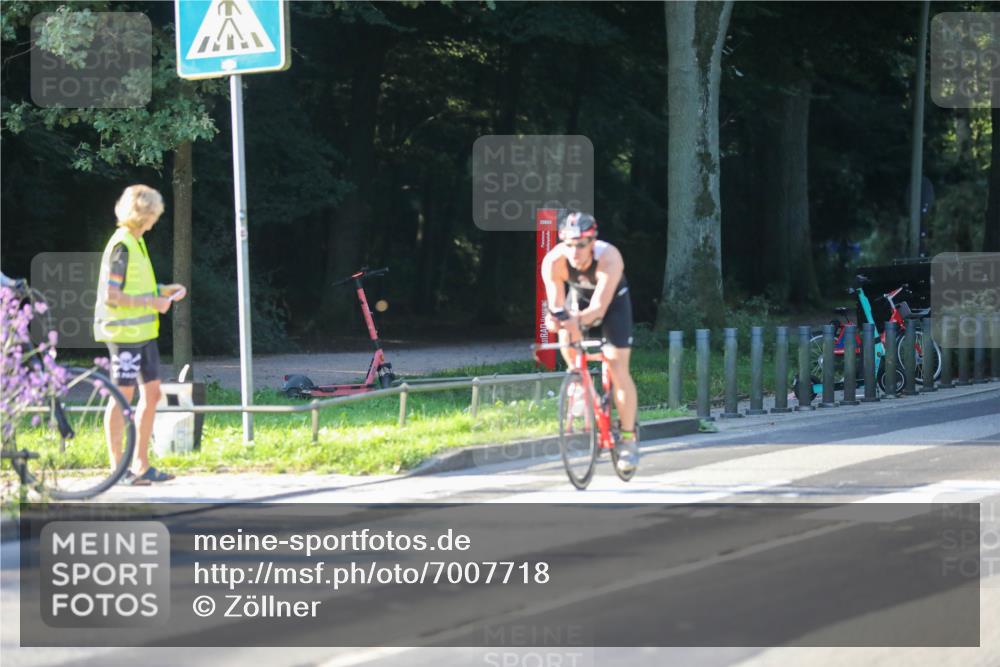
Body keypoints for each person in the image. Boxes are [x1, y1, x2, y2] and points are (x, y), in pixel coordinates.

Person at [94, 185, 186, 485]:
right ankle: (117, 469)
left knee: (152, 394)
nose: (156, 219)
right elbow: (112, 296)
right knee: (123, 397)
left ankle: (141, 465)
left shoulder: (137, 242)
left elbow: (137, 288)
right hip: (124, 335)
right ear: (144, 214)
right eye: (154, 214)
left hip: (144, 334)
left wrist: (163, 291)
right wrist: (153, 302)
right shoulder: (121, 245)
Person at [541, 210, 639, 473]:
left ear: (593, 242)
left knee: (619, 369)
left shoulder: (609, 257)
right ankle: (577, 380)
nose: (575, 252)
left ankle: (628, 439)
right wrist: (556, 320)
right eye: (569, 245)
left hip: (611, 303)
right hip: (579, 297)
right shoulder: (554, 261)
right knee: (565, 326)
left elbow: (598, 308)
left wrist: (573, 321)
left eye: (581, 245)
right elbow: (557, 306)